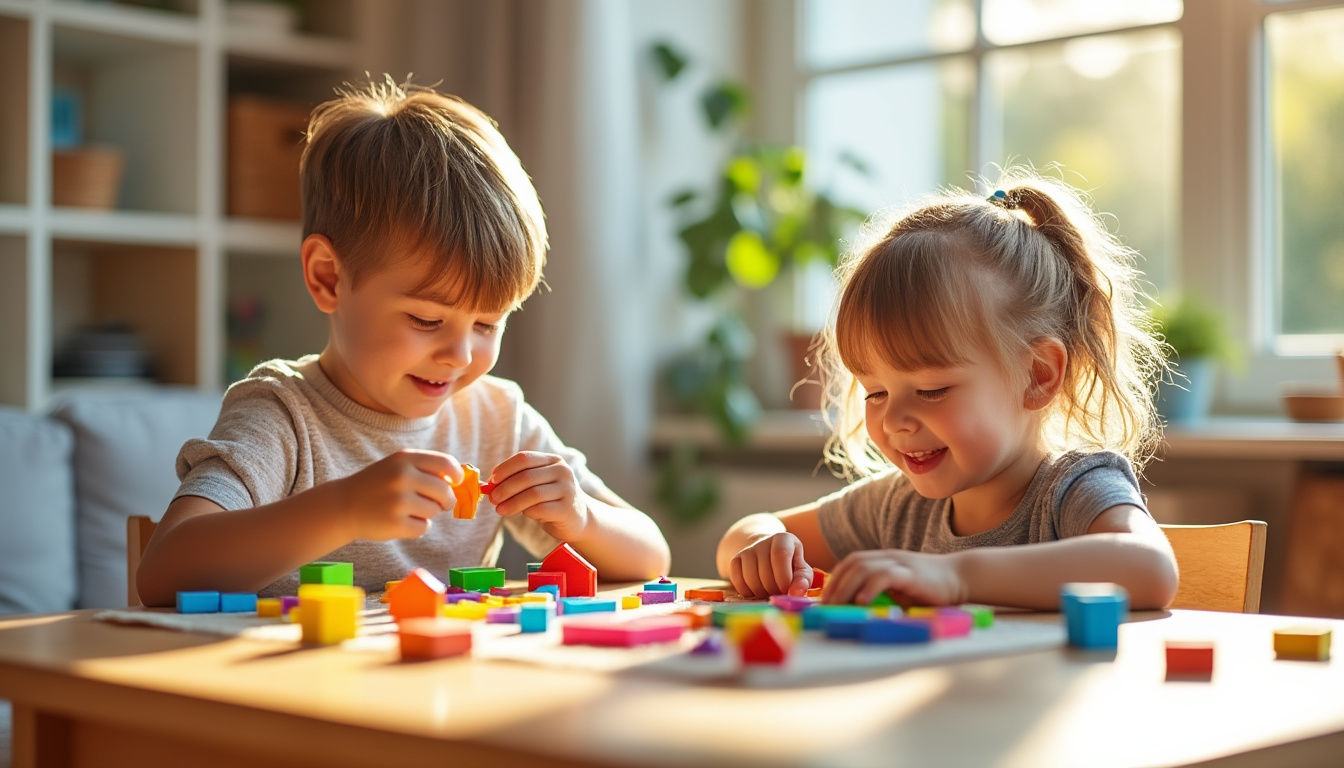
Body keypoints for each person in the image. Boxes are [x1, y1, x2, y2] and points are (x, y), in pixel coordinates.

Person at [137, 79, 670, 606]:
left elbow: (650, 559)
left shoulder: (498, 421)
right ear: (327, 278)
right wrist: (344, 508)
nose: (460, 357)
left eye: (487, 324)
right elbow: (164, 571)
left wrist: (580, 517)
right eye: (425, 319)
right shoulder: (281, 415)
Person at [716, 171, 1179, 611]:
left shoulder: (1073, 489)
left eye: (932, 390)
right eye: (875, 392)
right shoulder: (898, 507)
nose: (894, 419)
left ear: (1038, 375)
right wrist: (767, 547)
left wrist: (957, 576)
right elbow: (742, 535)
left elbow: (1151, 569)